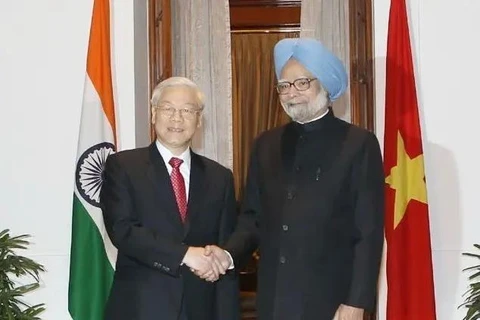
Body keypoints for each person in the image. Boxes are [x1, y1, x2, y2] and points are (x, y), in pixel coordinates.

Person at [205, 38, 386, 320]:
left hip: (332, 301)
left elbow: (368, 232)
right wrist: (227, 255)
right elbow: (252, 219)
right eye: (284, 86)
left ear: (324, 84)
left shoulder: (359, 144)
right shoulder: (266, 144)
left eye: (302, 83)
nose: (292, 93)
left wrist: (356, 302)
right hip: (274, 299)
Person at [100, 76, 240, 320]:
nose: (177, 118)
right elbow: (122, 230)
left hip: (201, 309)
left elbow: (224, 248)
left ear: (199, 120)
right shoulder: (123, 166)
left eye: (187, 110)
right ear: (154, 114)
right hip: (140, 308)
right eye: (168, 109)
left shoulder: (220, 177)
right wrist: (185, 254)